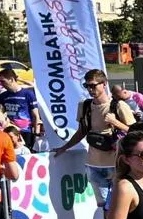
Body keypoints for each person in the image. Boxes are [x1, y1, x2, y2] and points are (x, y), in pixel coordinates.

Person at [52, 69, 135, 210]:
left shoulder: (118, 106)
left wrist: (116, 123)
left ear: (104, 84)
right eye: (87, 86)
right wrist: (64, 148)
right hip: (93, 164)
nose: (90, 89)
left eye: (93, 85)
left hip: (116, 163)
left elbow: (136, 132)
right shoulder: (84, 106)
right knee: (104, 207)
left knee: (121, 205)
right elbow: (81, 132)